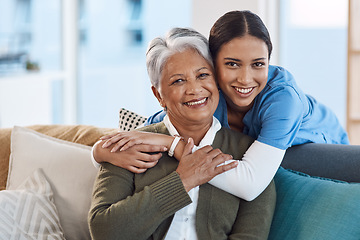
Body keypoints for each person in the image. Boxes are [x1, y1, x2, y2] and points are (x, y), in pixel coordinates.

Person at [98, 10, 349, 199]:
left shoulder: (282, 99)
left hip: (323, 154)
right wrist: (98, 152)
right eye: (232, 64)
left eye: (258, 64)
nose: (245, 78)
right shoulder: (208, 95)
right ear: (213, 65)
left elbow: (249, 185)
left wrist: (171, 145)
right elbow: (146, 131)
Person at [89, 27, 276, 240]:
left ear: (216, 80)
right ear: (158, 95)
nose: (195, 90)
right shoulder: (130, 145)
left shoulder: (249, 156)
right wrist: (182, 180)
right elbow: (103, 231)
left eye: (203, 75)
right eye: (178, 81)